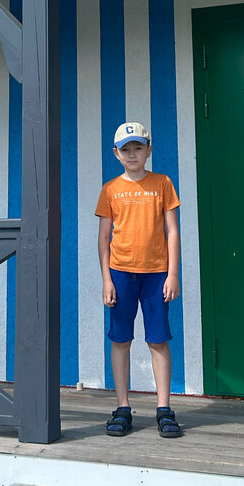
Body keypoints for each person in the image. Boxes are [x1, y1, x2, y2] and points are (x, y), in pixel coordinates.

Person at [95, 121, 183, 438]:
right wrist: (107, 280)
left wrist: (173, 273)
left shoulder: (163, 183)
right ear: (116, 154)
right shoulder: (110, 189)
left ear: (149, 150)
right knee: (121, 340)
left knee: (158, 339)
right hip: (120, 273)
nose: (132, 154)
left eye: (138, 148)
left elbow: (172, 231)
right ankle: (122, 407)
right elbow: (104, 238)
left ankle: (164, 409)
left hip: (157, 274)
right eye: (126, 149)